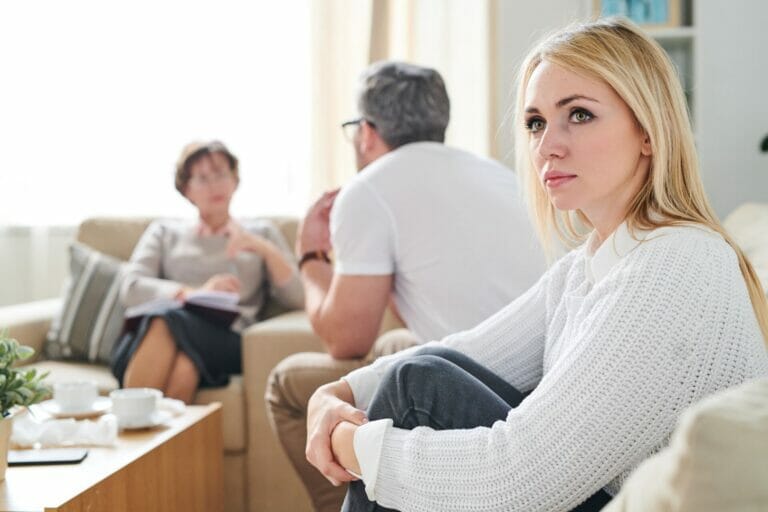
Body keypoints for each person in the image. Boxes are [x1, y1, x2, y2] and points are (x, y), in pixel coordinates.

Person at [304, 18, 768, 512]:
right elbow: (471, 352)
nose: (547, 146)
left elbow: (518, 478)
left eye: (580, 115)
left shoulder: (675, 265)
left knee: (412, 389)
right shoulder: (590, 264)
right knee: (420, 375)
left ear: (648, 132)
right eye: (535, 122)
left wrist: (350, 445)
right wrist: (337, 392)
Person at [267, 61, 545, 511]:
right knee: (397, 342)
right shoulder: (497, 175)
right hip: (536, 389)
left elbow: (345, 338)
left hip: (471, 399)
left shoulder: (369, 189)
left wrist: (311, 257)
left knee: (286, 385)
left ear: (367, 131)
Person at [111, 140, 304, 404]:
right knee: (185, 361)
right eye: (202, 178)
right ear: (186, 189)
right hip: (165, 338)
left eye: (221, 175)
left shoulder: (261, 233)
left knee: (170, 325)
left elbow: (300, 298)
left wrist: (266, 251)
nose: (215, 185)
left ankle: (128, 425)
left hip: (227, 341)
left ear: (235, 180)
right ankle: (158, 442)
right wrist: (194, 293)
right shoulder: (165, 232)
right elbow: (131, 287)